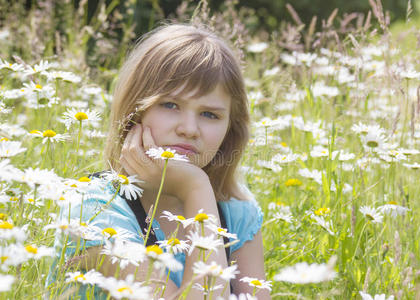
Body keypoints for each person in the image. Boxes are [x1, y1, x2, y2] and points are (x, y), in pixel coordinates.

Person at [48, 23, 269, 299]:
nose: (189, 128)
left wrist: (197, 193)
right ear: (134, 112)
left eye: (210, 114)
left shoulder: (236, 211)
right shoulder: (93, 211)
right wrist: (195, 187)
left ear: (230, 130)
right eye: (170, 105)